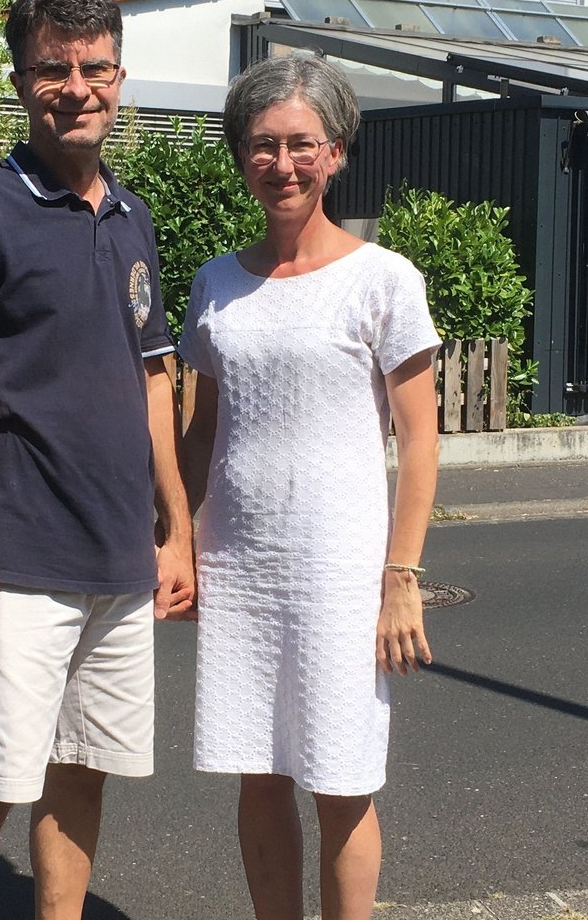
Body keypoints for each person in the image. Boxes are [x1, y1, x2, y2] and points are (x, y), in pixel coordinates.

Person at [0, 0, 196, 920]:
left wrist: (177, 534)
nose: (77, 86)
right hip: (20, 555)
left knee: (83, 774)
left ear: (120, 74)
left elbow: (156, 379)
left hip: (118, 554)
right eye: (53, 68)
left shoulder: (133, 216)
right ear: (22, 77)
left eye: (94, 67)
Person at [176, 53, 442, 920]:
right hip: (240, 563)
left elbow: (420, 440)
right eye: (262, 144)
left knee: (341, 775)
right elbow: (202, 428)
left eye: (301, 144)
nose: (281, 163)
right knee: (259, 770)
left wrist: (400, 579)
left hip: (340, 568)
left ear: (335, 152)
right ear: (240, 154)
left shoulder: (383, 279)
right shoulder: (216, 283)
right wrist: (174, 538)